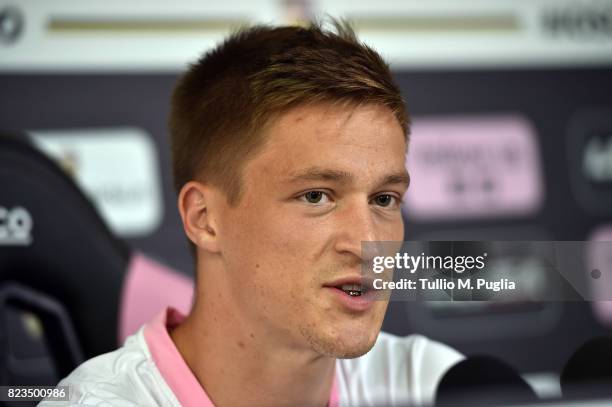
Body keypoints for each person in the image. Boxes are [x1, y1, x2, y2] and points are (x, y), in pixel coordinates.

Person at [41, 19, 462, 407]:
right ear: (204, 218)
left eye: (384, 199)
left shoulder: (432, 384)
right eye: (316, 196)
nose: (367, 243)